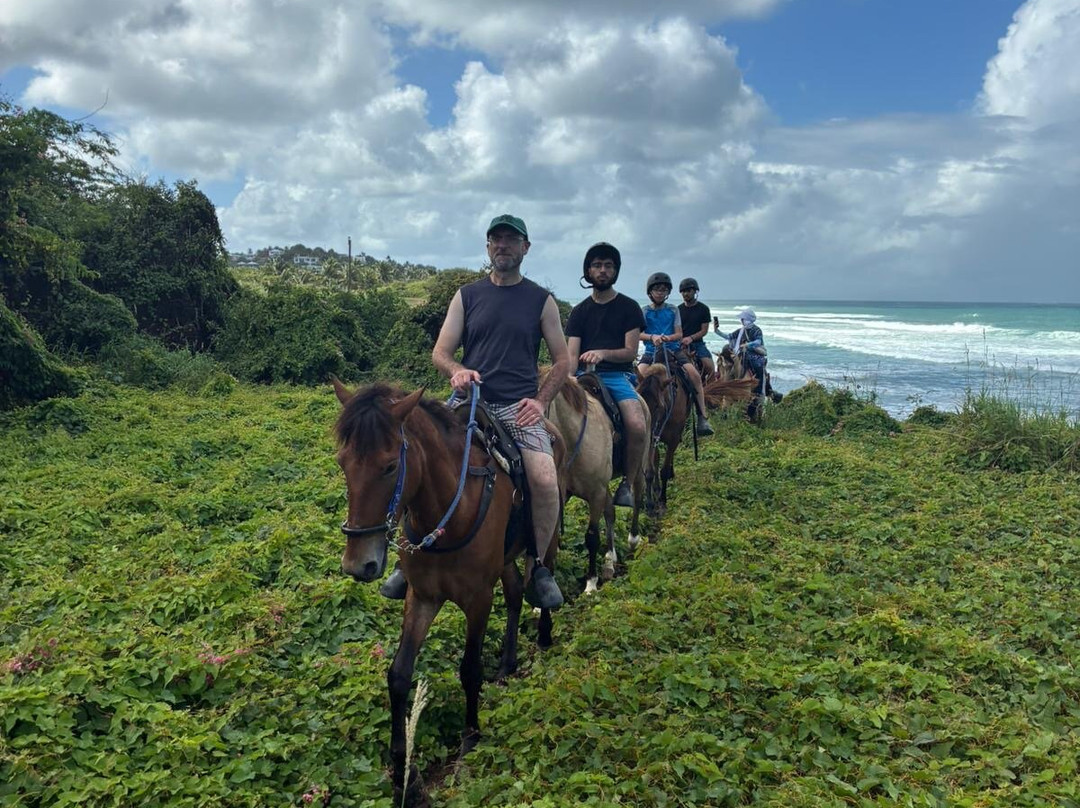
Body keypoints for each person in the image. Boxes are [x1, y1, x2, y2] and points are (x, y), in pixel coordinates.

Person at [381, 214, 571, 610]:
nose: (502, 245)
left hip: (516, 409)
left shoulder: (541, 300)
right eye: (495, 239)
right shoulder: (466, 295)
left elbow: (562, 361)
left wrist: (539, 401)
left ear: (525, 248)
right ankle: (406, 560)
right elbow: (441, 352)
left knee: (545, 479)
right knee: (413, 459)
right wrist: (457, 370)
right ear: (488, 248)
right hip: (466, 403)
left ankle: (538, 566)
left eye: (511, 239)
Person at [564, 242, 648, 508]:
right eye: (597, 265)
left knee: (636, 424)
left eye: (608, 266)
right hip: (581, 376)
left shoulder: (629, 307)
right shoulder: (578, 312)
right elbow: (572, 353)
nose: (602, 271)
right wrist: (568, 379)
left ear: (616, 271)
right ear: (588, 271)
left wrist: (602, 353)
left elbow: (630, 351)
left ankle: (627, 483)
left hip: (616, 376)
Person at [637, 272, 714, 437]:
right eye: (657, 289)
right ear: (650, 292)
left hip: (673, 349)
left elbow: (679, 334)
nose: (660, 292)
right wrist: (652, 337)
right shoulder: (644, 311)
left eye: (664, 290)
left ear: (668, 293)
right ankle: (635, 415)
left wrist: (668, 338)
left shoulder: (673, 310)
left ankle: (702, 417)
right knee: (637, 377)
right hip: (651, 351)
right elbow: (638, 334)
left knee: (694, 375)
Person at [716, 306, 769, 419]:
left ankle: (762, 390)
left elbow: (758, 341)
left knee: (757, 366)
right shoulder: (740, 331)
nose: (741, 321)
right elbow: (728, 336)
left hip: (754, 354)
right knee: (726, 363)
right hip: (741, 352)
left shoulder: (756, 330)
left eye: (743, 319)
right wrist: (717, 331)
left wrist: (748, 345)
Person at [677, 277, 715, 381]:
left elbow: (704, 330)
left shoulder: (703, 309)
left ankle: (713, 393)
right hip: (680, 343)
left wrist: (691, 338)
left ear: (695, 291)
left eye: (688, 291)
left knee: (709, 367)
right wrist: (681, 339)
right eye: (683, 291)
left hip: (697, 343)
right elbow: (675, 328)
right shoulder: (678, 309)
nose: (685, 294)